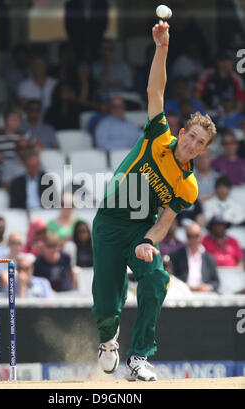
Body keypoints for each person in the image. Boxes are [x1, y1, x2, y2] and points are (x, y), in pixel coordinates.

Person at [92, 20, 217, 382]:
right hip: (109, 223)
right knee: (106, 301)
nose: (191, 145)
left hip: (139, 231)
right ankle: (107, 340)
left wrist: (149, 241)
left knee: (156, 277)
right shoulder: (157, 137)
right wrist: (162, 48)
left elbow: (165, 221)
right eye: (190, 137)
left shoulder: (189, 185)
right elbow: (155, 90)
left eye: (200, 144)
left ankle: (140, 357)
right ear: (181, 132)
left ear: (204, 151)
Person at [170, 222, 219, 293]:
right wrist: (183, 286)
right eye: (190, 236)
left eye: (196, 236)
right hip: (182, 292)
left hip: (204, 294)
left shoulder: (209, 258)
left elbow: (215, 281)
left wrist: (208, 287)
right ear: (186, 237)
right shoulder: (176, 255)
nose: (193, 239)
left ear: (201, 237)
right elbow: (172, 276)